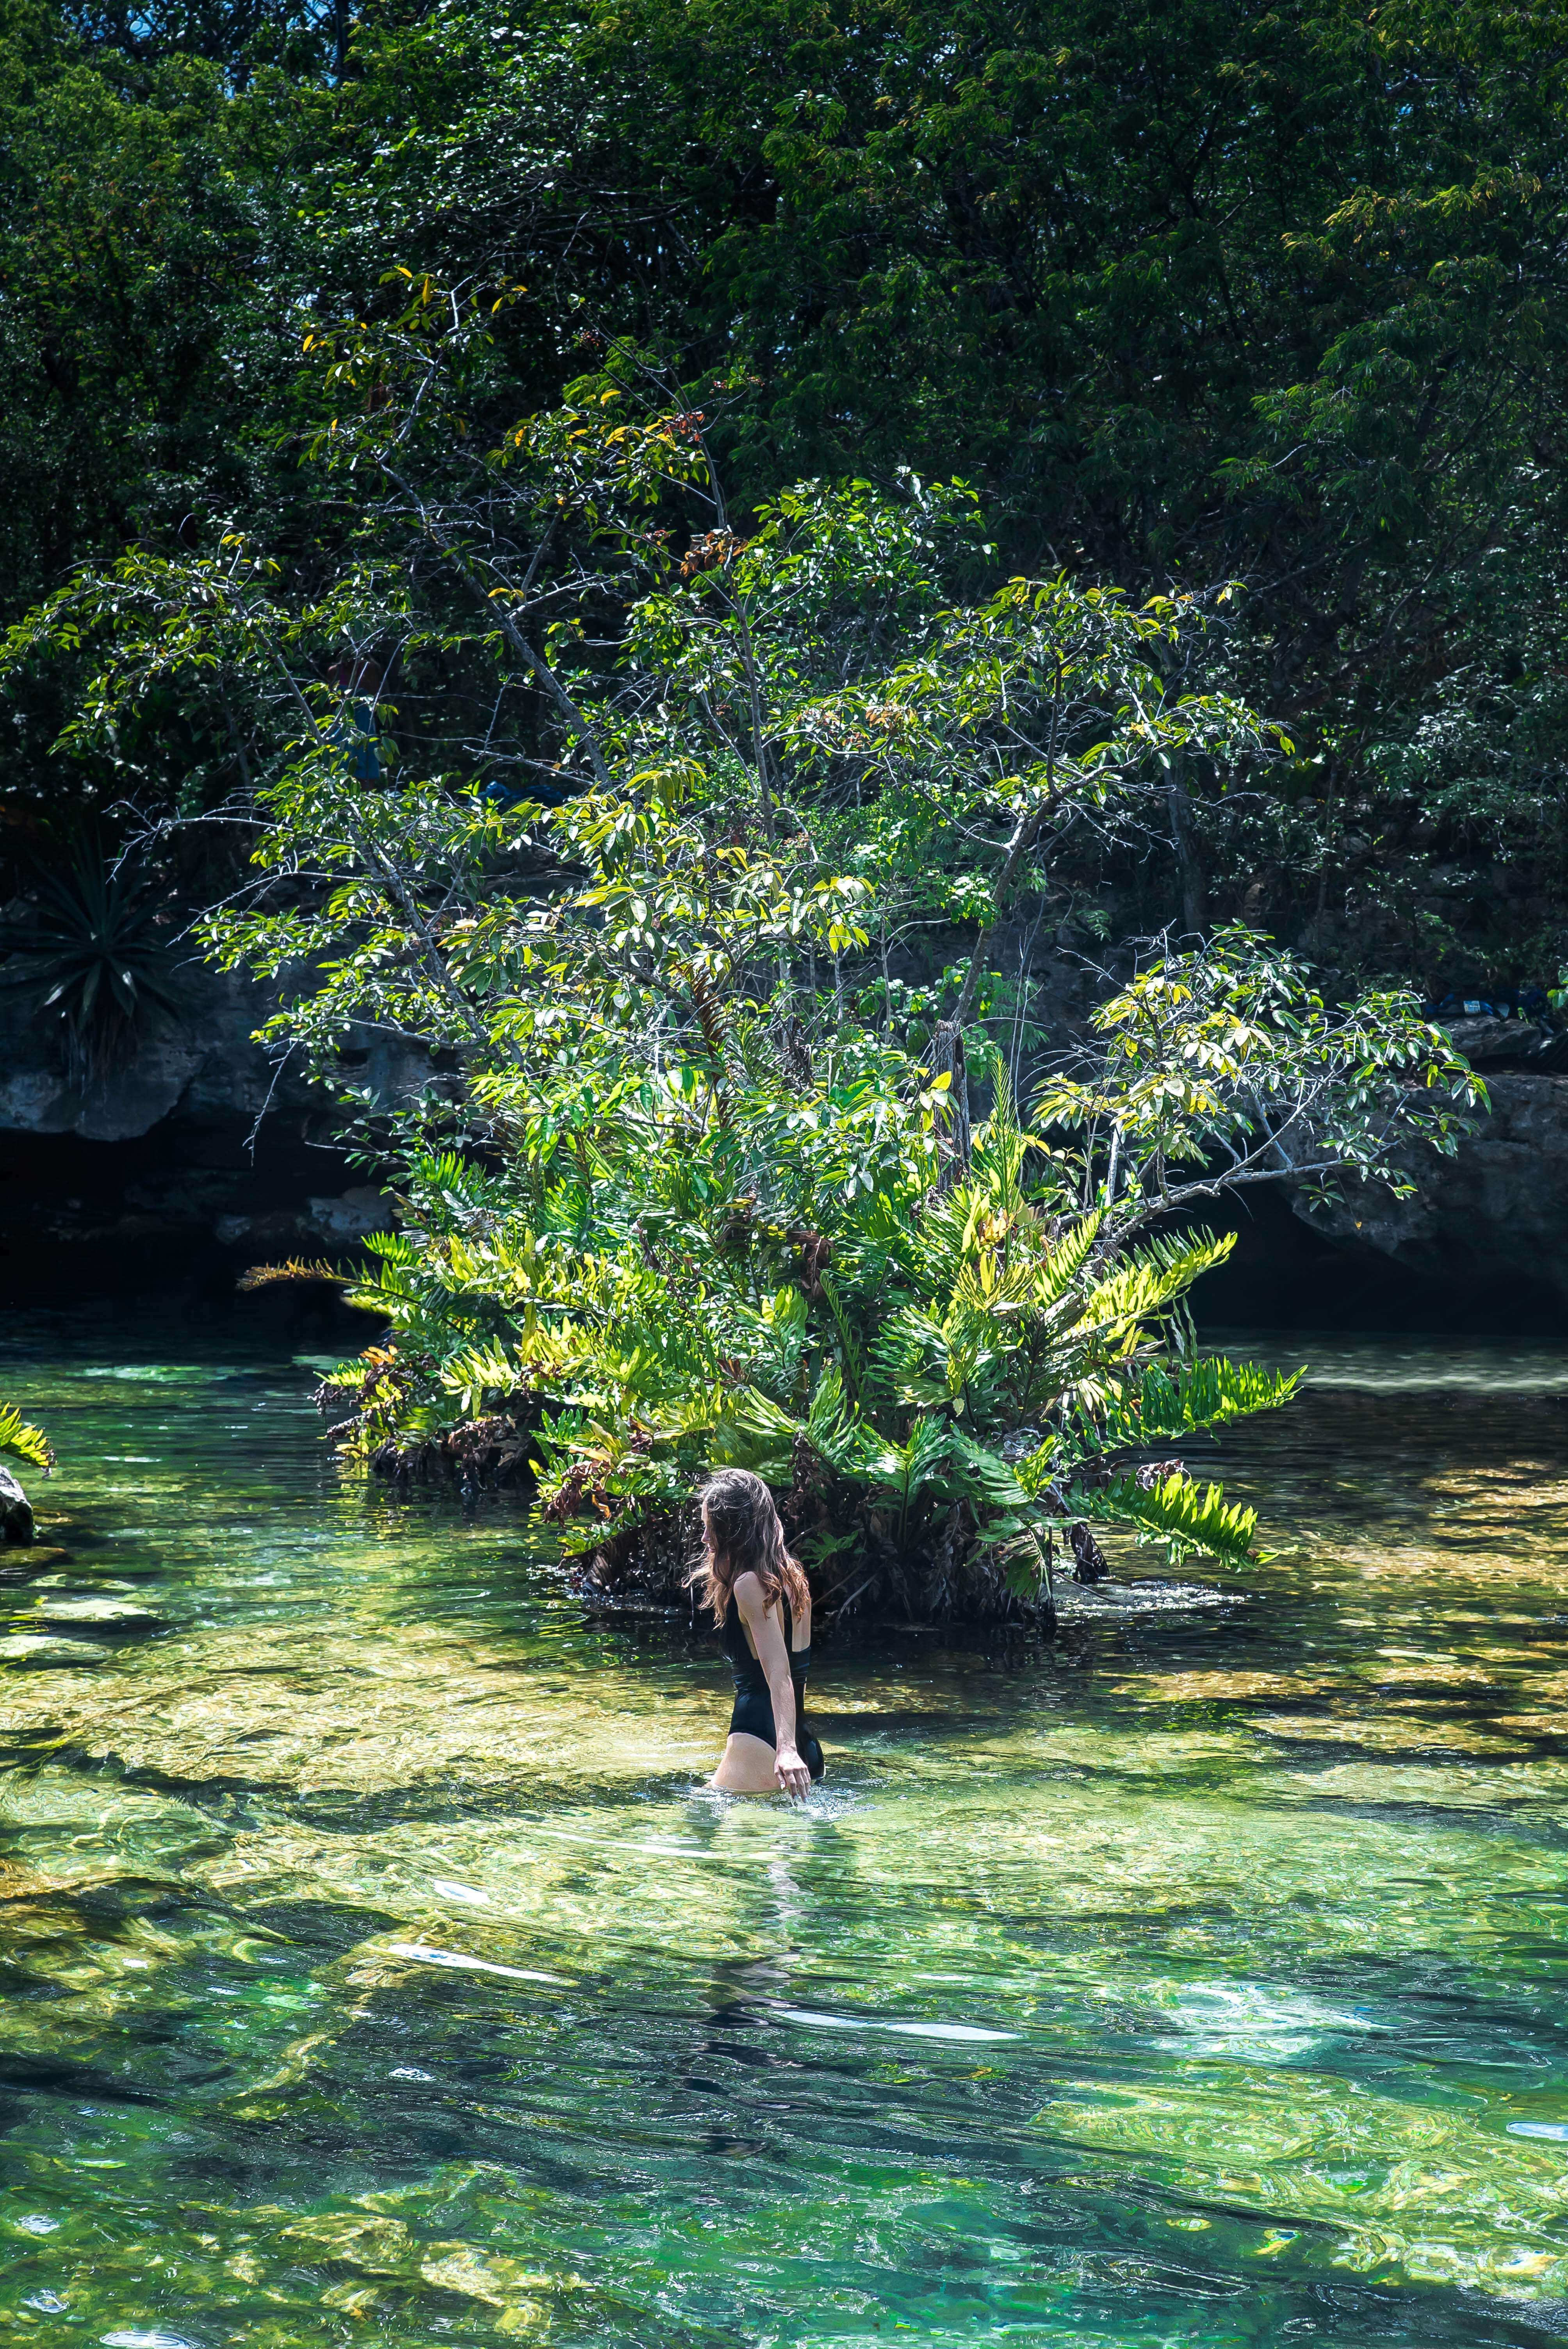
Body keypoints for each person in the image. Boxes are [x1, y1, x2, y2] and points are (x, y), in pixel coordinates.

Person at [692, 1467, 824, 1796]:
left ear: (733, 1531)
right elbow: (796, 1670)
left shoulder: (749, 1584)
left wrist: (785, 1749)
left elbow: (779, 1670)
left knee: (696, 1828)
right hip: (803, 1739)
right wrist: (793, 1744)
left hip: (762, 1741)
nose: (705, 1539)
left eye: (711, 1529)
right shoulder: (791, 1576)